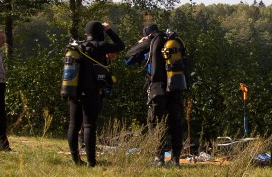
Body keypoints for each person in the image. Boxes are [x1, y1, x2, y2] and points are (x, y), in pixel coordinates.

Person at [125, 23, 188, 165]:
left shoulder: (151, 41)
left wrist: (139, 43)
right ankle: (175, 158)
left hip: (157, 89)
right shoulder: (174, 42)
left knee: (156, 123)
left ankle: (159, 158)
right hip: (176, 87)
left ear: (146, 34)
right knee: (175, 123)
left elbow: (128, 58)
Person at [67, 21, 125, 166]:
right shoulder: (99, 46)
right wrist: (109, 30)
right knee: (89, 126)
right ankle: (91, 162)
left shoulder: (79, 46)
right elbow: (120, 45)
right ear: (99, 31)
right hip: (90, 91)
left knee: (74, 125)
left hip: (73, 90)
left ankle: (75, 159)